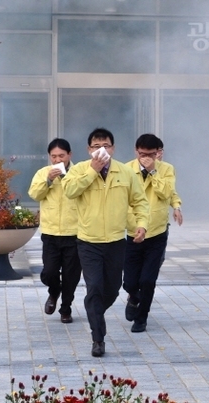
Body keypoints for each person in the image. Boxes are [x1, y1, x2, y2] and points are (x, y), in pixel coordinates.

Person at [62, 128, 149, 357]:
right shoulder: (80, 170)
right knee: (95, 288)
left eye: (106, 146)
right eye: (96, 146)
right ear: (88, 149)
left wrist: (141, 224)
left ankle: (94, 309)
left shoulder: (125, 172)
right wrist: (92, 171)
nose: (101, 150)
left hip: (115, 241)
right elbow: (69, 191)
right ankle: (98, 338)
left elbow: (140, 201)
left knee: (111, 289)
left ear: (113, 148)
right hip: (88, 241)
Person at [123, 134, 182, 333]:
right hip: (133, 230)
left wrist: (152, 171)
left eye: (150, 154)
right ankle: (133, 297)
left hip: (156, 231)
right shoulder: (127, 169)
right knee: (130, 281)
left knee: (148, 279)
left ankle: (141, 318)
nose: (145, 158)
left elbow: (167, 193)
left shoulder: (166, 169)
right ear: (136, 151)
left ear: (158, 153)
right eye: (141, 154)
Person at [28, 138, 82, 324]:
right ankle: (54, 291)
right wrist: (48, 180)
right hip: (51, 232)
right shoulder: (43, 172)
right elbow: (35, 194)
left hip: (74, 232)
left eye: (62, 155)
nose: (58, 159)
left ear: (70, 155)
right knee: (49, 272)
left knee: (71, 275)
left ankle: (65, 308)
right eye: (54, 156)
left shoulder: (79, 172)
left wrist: (67, 178)